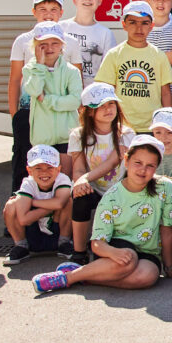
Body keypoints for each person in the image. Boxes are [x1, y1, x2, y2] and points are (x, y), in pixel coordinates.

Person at [35, 136, 172, 293]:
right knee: (128, 259)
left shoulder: (165, 188)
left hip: (148, 252)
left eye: (150, 165)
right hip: (112, 252)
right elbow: (97, 243)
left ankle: (84, 276)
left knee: (147, 277)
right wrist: (114, 252)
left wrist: (169, 267)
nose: (143, 169)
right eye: (138, 162)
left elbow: (167, 229)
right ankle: (67, 277)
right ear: (126, 160)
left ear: (157, 167)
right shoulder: (111, 197)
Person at [7, 0, 70, 182]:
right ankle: (19, 197)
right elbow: (15, 79)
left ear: (61, 12)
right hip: (29, 111)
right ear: (34, 12)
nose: (48, 14)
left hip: (59, 113)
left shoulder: (70, 41)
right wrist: (15, 114)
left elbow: (75, 80)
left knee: (57, 163)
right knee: (24, 161)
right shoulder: (22, 40)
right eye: (42, 9)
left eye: (53, 9)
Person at [65, 82, 131, 261]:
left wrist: (83, 179)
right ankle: (79, 251)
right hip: (93, 187)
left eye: (111, 103)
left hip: (119, 188)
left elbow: (113, 162)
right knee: (80, 198)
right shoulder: (78, 135)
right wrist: (80, 182)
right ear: (88, 111)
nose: (108, 109)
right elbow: (78, 168)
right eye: (101, 106)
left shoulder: (126, 133)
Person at [95, 2, 172, 132]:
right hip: (121, 126)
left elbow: (165, 93)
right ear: (124, 25)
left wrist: (168, 122)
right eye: (132, 22)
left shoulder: (159, 55)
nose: (139, 28)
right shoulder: (114, 54)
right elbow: (106, 92)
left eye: (144, 23)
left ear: (151, 26)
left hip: (152, 126)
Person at [4, 142, 72, 264]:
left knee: (69, 201)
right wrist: (52, 206)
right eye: (38, 168)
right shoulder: (28, 183)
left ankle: (64, 242)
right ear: (29, 170)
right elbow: (23, 219)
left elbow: (60, 204)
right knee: (11, 205)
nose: (44, 172)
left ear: (58, 169)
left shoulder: (62, 179)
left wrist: (33, 202)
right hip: (32, 233)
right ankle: (21, 245)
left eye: (50, 167)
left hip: (56, 231)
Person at [23, 21, 83, 154]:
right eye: (43, 44)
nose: (49, 48)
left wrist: (46, 99)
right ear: (35, 47)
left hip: (68, 136)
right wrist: (39, 66)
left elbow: (75, 101)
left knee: (67, 168)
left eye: (55, 43)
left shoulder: (71, 71)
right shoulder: (30, 69)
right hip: (42, 138)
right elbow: (34, 90)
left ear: (62, 45)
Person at [60, 0, 118, 84]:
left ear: (100, 0)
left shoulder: (106, 33)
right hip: (62, 91)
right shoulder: (60, 28)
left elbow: (109, 71)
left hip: (93, 91)